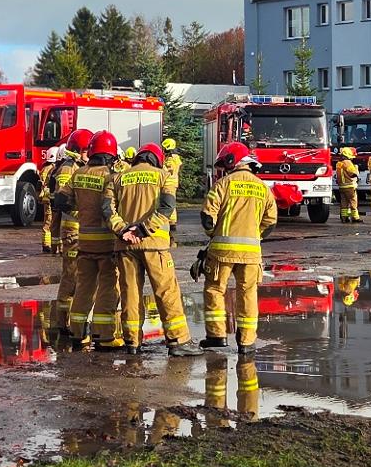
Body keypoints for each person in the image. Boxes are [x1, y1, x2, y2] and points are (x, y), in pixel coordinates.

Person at [107, 143, 200, 356]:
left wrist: (122, 230)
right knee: (166, 291)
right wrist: (144, 229)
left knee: (130, 293)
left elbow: (107, 210)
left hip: (125, 245)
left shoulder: (118, 178)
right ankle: (178, 341)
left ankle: (132, 342)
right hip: (154, 245)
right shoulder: (164, 176)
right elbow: (167, 207)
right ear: (157, 159)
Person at [199, 141, 277, 352]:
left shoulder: (223, 184)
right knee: (248, 293)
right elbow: (271, 221)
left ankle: (216, 336)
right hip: (252, 254)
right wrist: (255, 236)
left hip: (221, 252)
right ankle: (246, 341)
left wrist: (213, 235)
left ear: (232, 161)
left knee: (215, 289)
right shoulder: (263, 188)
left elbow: (207, 217)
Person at [62, 131, 126, 349]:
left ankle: (77, 332)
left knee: (83, 287)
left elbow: (60, 200)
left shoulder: (78, 174)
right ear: (111, 155)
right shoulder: (111, 176)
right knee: (108, 287)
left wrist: (81, 212)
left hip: (84, 242)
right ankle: (103, 336)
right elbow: (113, 208)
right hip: (106, 243)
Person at [48, 129, 93, 333]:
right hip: (72, 229)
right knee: (71, 277)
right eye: (86, 151)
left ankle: (74, 321)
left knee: (83, 277)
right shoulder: (68, 168)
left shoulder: (81, 167)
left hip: (82, 228)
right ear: (78, 150)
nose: (89, 155)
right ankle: (62, 322)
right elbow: (62, 201)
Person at [333, 147, 360, 223]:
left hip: (342, 186)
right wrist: (356, 168)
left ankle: (344, 217)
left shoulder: (338, 163)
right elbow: (353, 174)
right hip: (349, 186)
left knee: (344, 202)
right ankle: (355, 218)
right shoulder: (347, 163)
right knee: (353, 202)